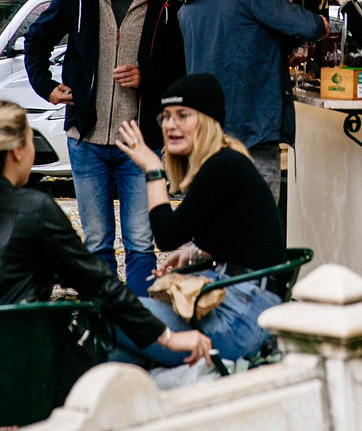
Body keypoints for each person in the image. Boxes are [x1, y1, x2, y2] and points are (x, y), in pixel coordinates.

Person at [24, 0, 184, 294]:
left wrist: (147, 75)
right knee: (97, 244)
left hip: (139, 143)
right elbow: (36, 40)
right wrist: (47, 87)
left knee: (141, 244)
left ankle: (144, 326)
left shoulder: (165, 1)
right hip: (86, 138)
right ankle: (106, 327)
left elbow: (181, 65)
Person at [0, 100, 210, 383]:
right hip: (24, 368)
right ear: (16, 152)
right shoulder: (35, 210)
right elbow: (97, 281)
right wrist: (167, 337)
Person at [114, 73, 286, 371]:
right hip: (240, 303)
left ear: (206, 121)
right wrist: (197, 252)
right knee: (121, 341)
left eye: (183, 115)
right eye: (166, 116)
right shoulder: (225, 162)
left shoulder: (221, 165)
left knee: (115, 314)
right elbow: (242, 236)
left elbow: (165, 236)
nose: (170, 125)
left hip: (241, 317)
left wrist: (154, 169)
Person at [173, 0, 328, 202]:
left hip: (205, 134)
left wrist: (278, 52)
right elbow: (308, 27)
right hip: (251, 129)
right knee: (257, 225)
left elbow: (232, 44)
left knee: (213, 226)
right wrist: (324, 24)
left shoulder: (190, 3)